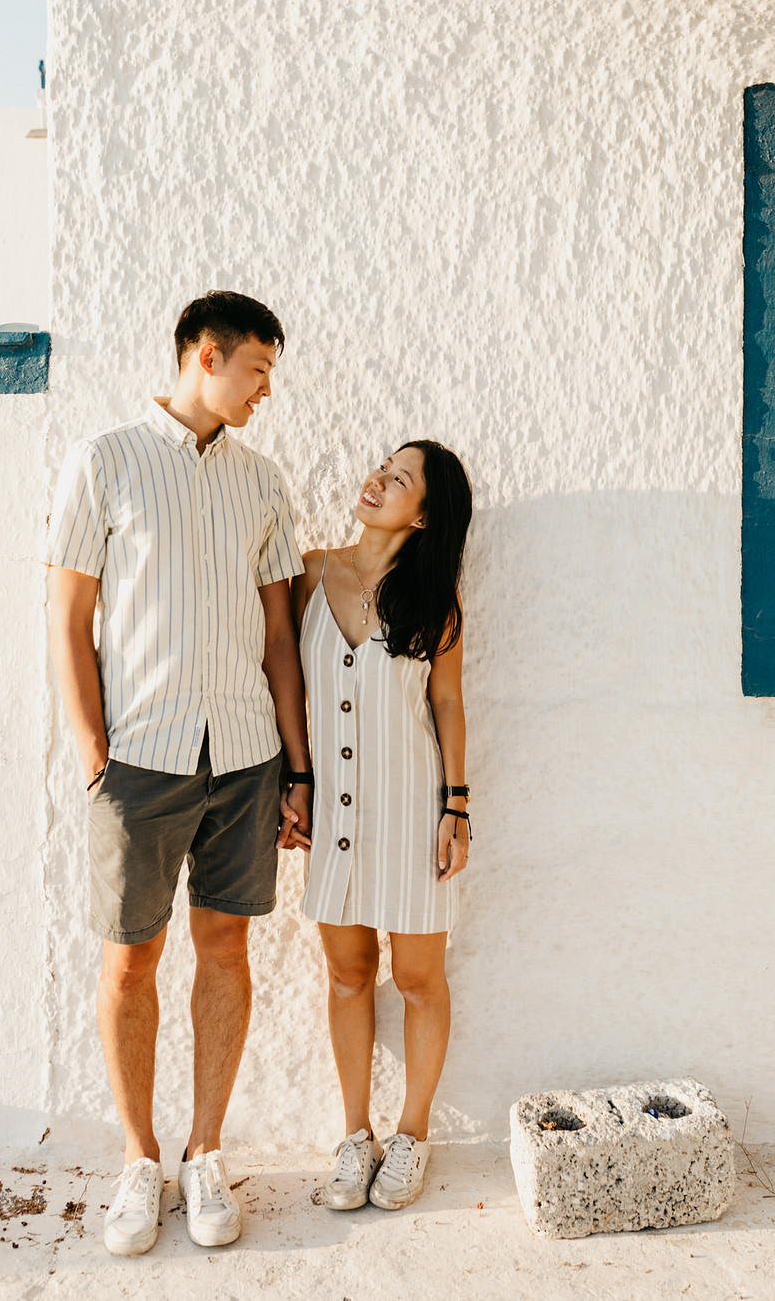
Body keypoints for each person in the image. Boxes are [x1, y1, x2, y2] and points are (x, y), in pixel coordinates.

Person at [46, 290, 314, 1258]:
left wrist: (300, 768)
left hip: (244, 757)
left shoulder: (263, 481)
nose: (264, 392)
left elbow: (281, 634)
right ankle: (139, 1159)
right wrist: (91, 753)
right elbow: (69, 621)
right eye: (257, 372)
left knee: (228, 954)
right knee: (129, 963)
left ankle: (204, 1154)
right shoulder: (104, 461)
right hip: (140, 762)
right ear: (207, 354)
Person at [292, 440, 473, 1213]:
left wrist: (457, 806)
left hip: (410, 806)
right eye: (380, 468)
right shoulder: (308, 571)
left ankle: (412, 1135)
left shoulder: (435, 600)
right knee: (347, 973)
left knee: (418, 979)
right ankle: (354, 1136)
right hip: (332, 810)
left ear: (424, 512)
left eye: (399, 480)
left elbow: (449, 705)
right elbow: (278, 674)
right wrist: (287, 782)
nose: (376, 480)